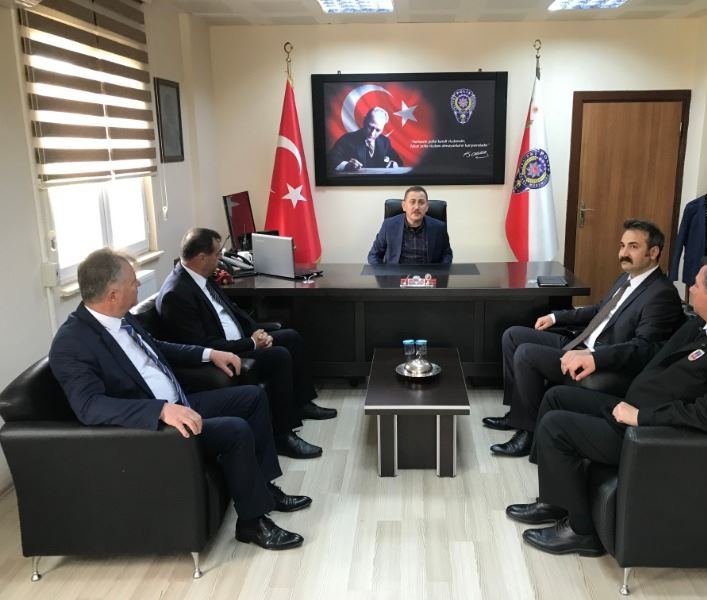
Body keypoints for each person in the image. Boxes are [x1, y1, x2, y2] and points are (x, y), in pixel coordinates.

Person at [508, 253, 707, 557]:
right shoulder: (705, 324)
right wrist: (597, 359)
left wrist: (643, 417)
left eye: (696, 285)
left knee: (557, 426)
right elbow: (652, 354)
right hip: (634, 407)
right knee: (556, 397)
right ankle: (556, 502)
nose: (690, 289)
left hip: (655, 435)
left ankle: (581, 532)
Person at [49, 248, 309, 551]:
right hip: (154, 429)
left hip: (181, 403)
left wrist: (209, 353)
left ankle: (263, 490)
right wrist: (160, 410)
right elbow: (89, 406)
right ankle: (252, 523)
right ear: (112, 294)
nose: (138, 285)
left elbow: (158, 347)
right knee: (235, 430)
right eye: (133, 282)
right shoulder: (72, 344)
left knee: (252, 397)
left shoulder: (121, 317)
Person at [486, 219, 684, 457]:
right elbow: (600, 309)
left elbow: (643, 348)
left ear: (654, 252)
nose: (623, 253)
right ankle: (518, 414)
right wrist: (556, 317)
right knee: (513, 336)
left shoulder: (661, 294)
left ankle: (528, 433)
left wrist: (594, 356)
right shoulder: (627, 278)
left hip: (600, 359)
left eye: (633, 247)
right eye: (622, 246)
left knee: (527, 354)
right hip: (582, 342)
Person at [156, 228, 336, 460]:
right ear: (201, 257)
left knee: (291, 337)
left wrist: (257, 331)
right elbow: (203, 345)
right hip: (223, 355)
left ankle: (301, 403)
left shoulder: (201, 277)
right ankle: (282, 436)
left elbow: (234, 311)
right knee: (279, 355)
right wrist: (251, 343)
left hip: (240, 340)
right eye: (217, 254)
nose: (220, 259)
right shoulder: (176, 294)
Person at [367, 186, 453, 265]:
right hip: (397, 275)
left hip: (428, 275)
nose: (416, 207)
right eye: (412, 202)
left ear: (427, 207)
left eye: (421, 202)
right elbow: (374, 255)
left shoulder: (439, 228)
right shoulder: (388, 226)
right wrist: (384, 275)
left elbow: (447, 255)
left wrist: (438, 274)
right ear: (404, 206)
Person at [329, 107, 403, 172]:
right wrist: (346, 165)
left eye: (378, 130)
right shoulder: (346, 139)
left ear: (383, 128)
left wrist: (394, 164)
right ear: (364, 121)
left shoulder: (385, 141)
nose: (372, 133)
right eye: (370, 127)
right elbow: (330, 159)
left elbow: (398, 161)